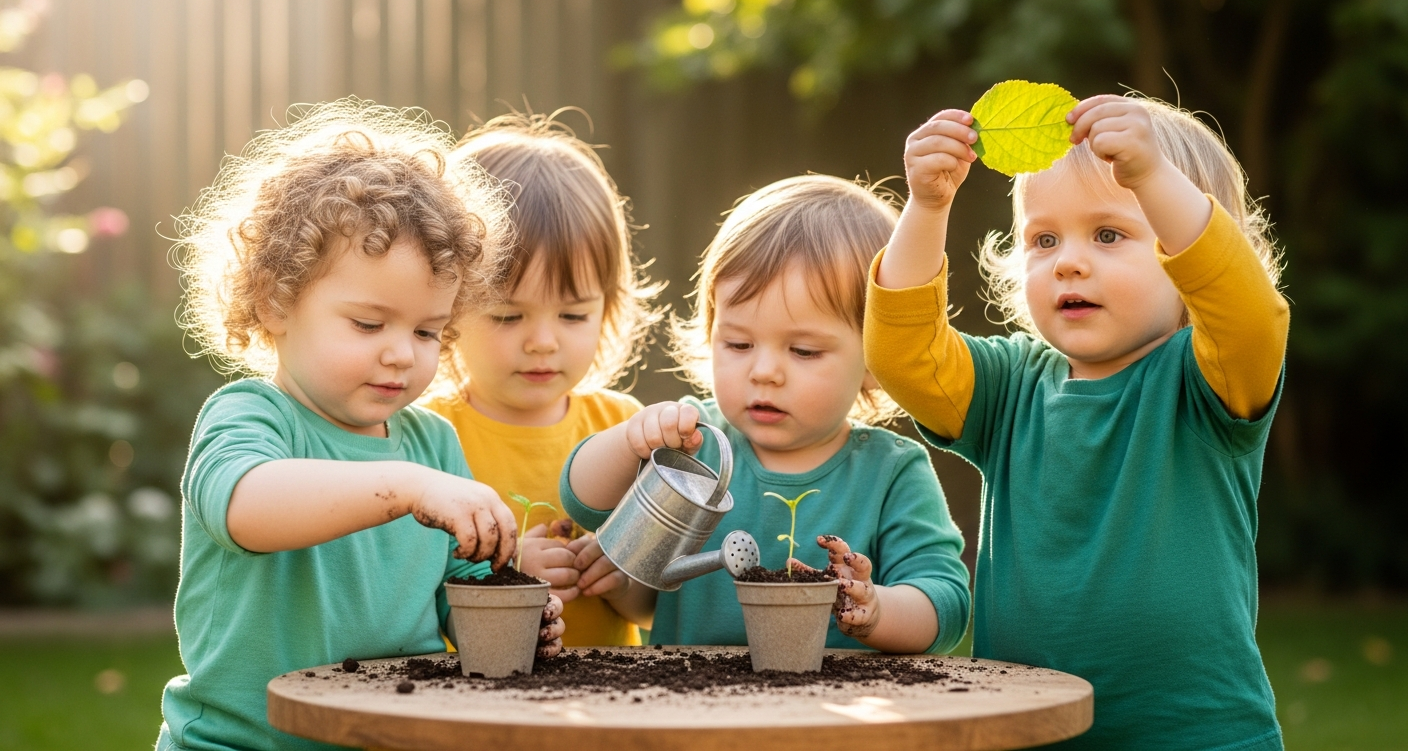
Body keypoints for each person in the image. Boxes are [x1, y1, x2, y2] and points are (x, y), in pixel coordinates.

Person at [866, 95, 1288, 749]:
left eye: (1109, 234)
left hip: (1199, 735)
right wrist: (927, 207)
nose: (1068, 260)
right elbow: (905, 356)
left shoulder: (1206, 381)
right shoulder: (1009, 387)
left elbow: (1248, 312)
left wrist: (1149, 175)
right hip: (1027, 733)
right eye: (1043, 238)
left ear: (1190, 260)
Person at [159, 99, 564, 751]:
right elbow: (248, 507)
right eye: (369, 324)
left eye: (429, 331)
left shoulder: (432, 444)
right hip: (242, 743)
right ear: (276, 301)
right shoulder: (251, 416)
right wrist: (406, 488)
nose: (402, 352)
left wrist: (518, 617)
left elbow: (464, 589)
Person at [562, 175, 970, 654]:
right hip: (688, 708)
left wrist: (878, 610)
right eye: (738, 344)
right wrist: (631, 442)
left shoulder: (891, 472)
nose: (764, 372)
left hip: (833, 717)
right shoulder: (697, 444)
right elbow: (583, 502)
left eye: (803, 350)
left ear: (877, 359)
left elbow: (946, 602)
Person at [423, 111, 662, 645]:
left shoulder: (625, 429)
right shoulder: (428, 438)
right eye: (509, 316)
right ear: (449, 305)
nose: (543, 341)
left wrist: (623, 577)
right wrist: (506, 573)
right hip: (472, 705)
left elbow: (655, 610)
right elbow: (408, 594)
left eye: (573, 315)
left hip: (611, 707)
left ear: (608, 306)